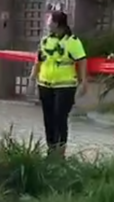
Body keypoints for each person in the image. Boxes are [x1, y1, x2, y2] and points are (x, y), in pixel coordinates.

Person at [31, 11, 87, 157]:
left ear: (56, 23)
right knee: (48, 118)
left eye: (49, 20)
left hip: (65, 85)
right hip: (45, 84)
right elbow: (39, 60)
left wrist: (83, 81)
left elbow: (82, 61)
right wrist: (32, 77)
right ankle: (51, 149)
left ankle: (60, 151)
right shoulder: (45, 40)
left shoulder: (72, 41)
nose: (47, 23)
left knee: (60, 117)